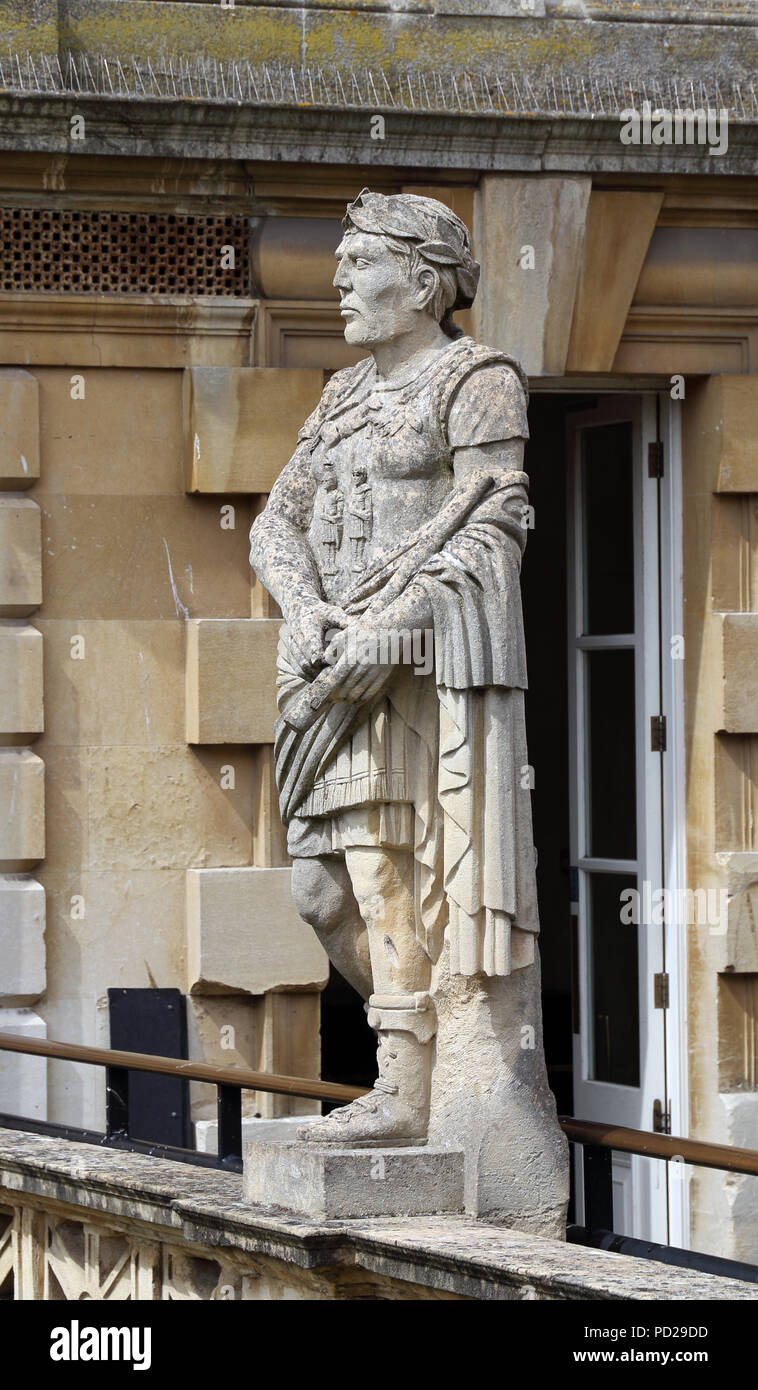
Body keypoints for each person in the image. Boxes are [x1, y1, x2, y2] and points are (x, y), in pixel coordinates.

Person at [249, 188, 538, 1146]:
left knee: (381, 877)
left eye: (358, 262)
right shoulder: (339, 393)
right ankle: (425, 1045)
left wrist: (392, 633)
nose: (336, 277)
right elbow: (275, 521)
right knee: (321, 893)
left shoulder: (475, 379)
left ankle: (404, 1090)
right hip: (331, 664)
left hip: (415, 677)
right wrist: (305, 611)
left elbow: (494, 524)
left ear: (420, 279)